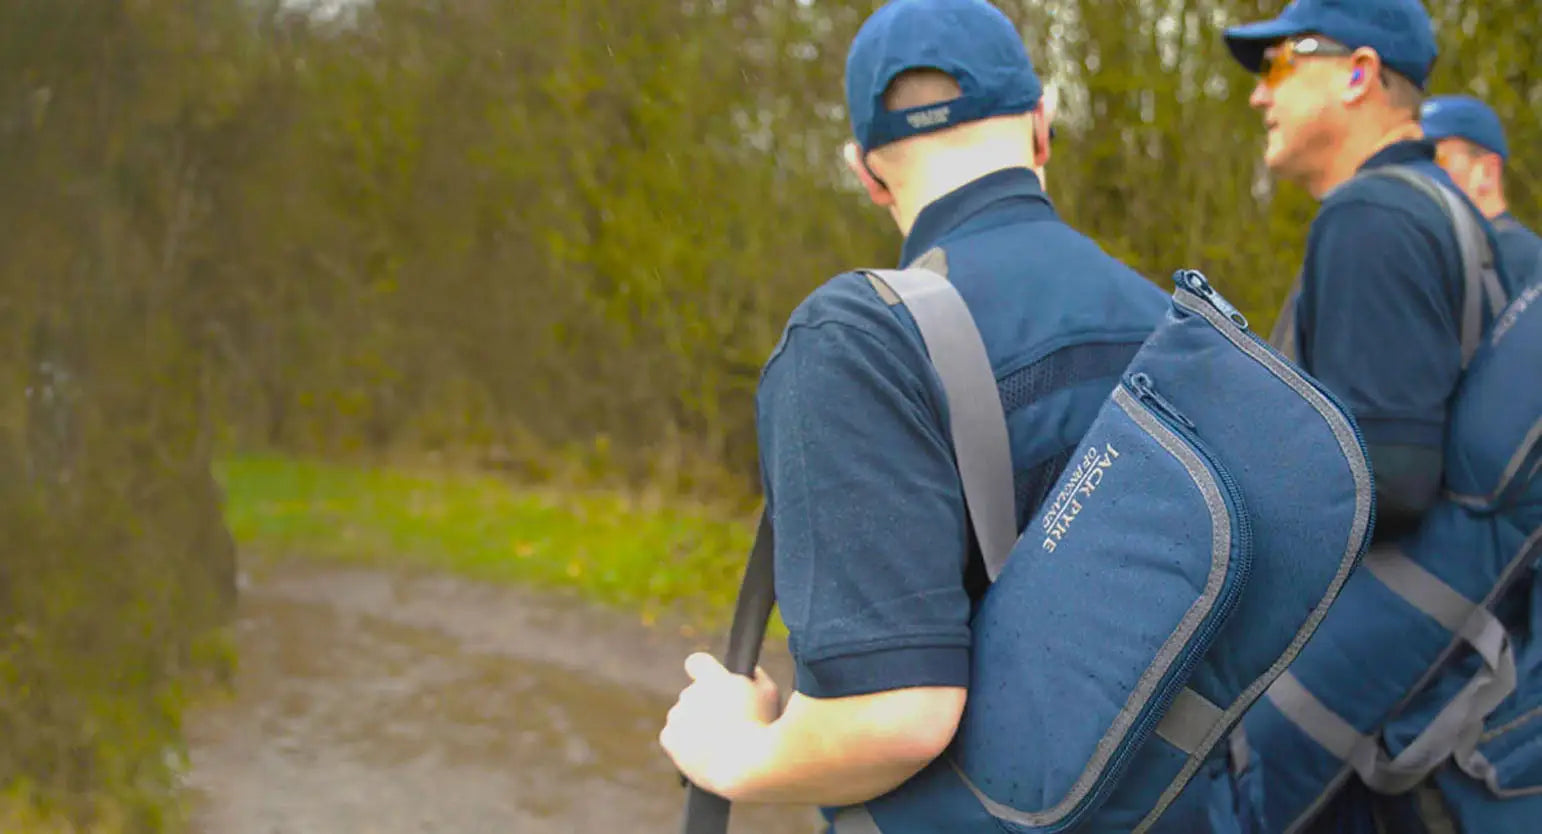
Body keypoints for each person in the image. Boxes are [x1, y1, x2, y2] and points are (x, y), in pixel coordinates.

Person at [657, 0, 1167, 822]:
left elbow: (891, 718)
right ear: (1042, 128)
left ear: (866, 173)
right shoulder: (1176, 323)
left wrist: (729, 751)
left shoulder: (862, 343)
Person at [1222, 0, 1527, 829]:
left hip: (1384, 739)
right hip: (1438, 700)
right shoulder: (1438, 206)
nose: (1260, 94)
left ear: (1358, 74)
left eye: (1281, 64)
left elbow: (1387, 479)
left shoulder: (1371, 217)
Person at [1423, 94, 1542, 287]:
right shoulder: (1431, 257)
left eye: (1438, 160)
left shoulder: (1528, 264)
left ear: (1487, 172)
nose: (1421, 172)